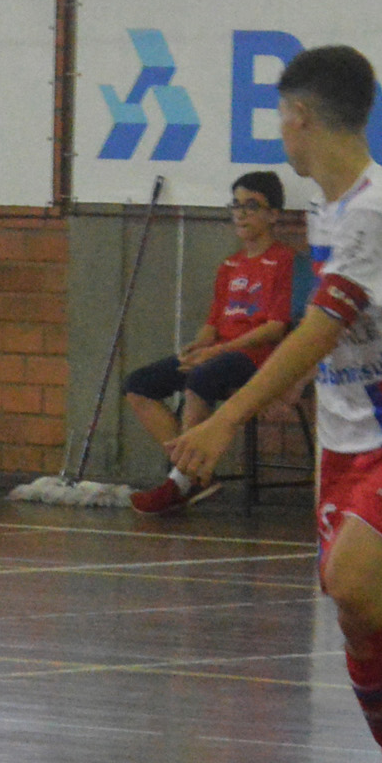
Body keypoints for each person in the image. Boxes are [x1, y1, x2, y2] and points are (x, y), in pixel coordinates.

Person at [166, 45, 382, 763]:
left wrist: (223, 417)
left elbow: (320, 328)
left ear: (302, 120)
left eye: (282, 118)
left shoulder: (381, 209)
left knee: (351, 576)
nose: (281, 132)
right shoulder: (326, 207)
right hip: (346, 439)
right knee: (353, 612)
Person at [125, 171, 298, 515]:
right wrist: (196, 348)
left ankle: (181, 482)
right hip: (219, 353)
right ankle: (196, 473)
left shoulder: (284, 261)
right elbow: (212, 324)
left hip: (257, 358)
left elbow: (275, 328)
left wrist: (216, 352)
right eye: (237, 205)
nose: (242, 214)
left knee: (201, 377)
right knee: (139, 385)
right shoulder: (229, 266)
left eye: (252, 206)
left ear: (273, 214)